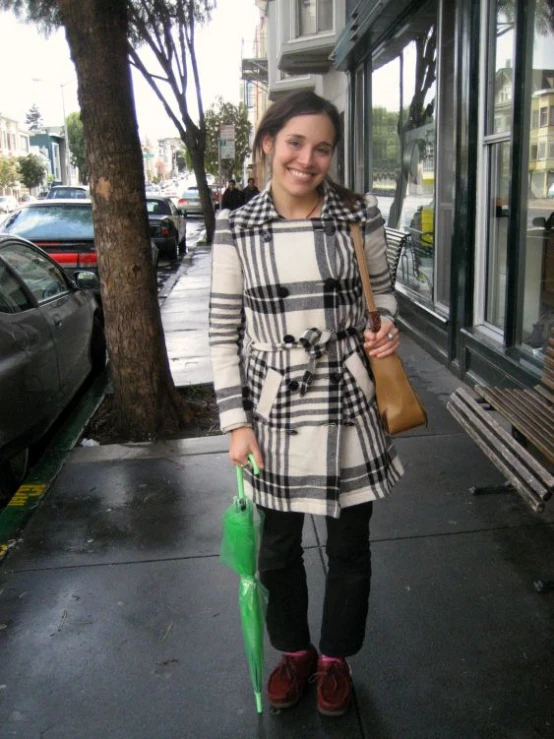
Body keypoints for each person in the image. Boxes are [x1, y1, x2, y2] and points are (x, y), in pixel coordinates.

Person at [209, 90, 404, 717]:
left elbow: (386, 297)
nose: (307, 158)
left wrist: (386, 329)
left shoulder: (357, 214)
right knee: (277, 549)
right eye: (295, 142)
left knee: (350, 547)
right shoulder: (238, 225)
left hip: (347, 395)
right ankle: (293, 652)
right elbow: (221, 331)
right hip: (273, 404)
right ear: (269, 142)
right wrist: (235, 420)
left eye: (322, 148)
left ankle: (335, 660)